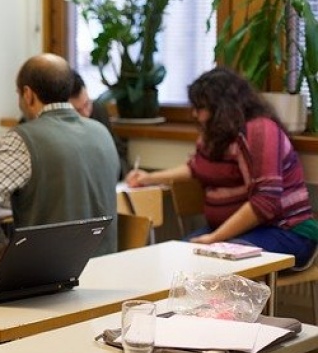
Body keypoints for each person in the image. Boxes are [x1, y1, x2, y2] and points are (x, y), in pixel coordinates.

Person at [126, 67, 318, 270]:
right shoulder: (217, 135)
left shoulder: (260, 130)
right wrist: (149, 178)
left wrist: (215, 238)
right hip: (233, 231)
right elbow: (195, 167)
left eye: (200, 108)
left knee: (207, 264)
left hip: (285, 231)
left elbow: (265, 202)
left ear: (221, 107)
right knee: (172, 262)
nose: (195, 115)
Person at [0, 54, 119, 255]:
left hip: (50, 277)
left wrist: (2, 250)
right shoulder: (101, 132)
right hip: (107, 269)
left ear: (28, 94)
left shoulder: (22, 139)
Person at [68, 70, 130, 179]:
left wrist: (120, 172)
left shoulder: (98, 110)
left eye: (87, 104)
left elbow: (118, 151)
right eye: (77, 110)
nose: (86, 113)